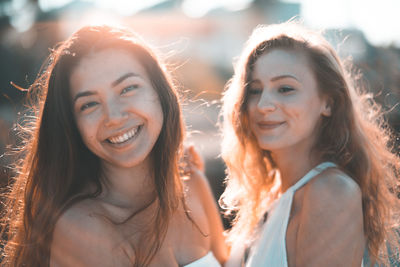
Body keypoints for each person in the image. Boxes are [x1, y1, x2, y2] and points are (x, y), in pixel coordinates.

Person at [0, 25, 228, 266]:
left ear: (159, 91)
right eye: (89, 104)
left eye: (128, 89)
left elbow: (227, 260)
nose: (114, 117)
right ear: (72, 124)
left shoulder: (192, 183)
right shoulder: (81, 228)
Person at [220, 21, 400, 266]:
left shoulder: (332, 192)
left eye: (285, 89)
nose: (263, 105)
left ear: (328, 103)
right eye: (254, 90)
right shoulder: (270, 194)